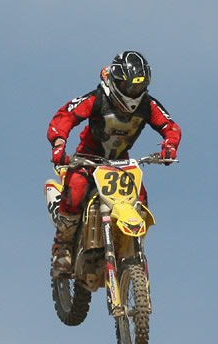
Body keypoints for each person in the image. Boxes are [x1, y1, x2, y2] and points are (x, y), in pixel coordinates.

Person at [46, 51, 182, 274]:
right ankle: (62, 247)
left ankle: (133, 253)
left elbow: (170, 127)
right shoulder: (97, 99)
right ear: (117, 81)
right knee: (76, 191)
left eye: (139, 87)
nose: (133, 92)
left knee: (140, 200)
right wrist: (59, 145)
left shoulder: (147, 105)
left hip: (120, 163)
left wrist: (170, 145)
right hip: (87, 158)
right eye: (129, 87)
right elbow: (65, 117)